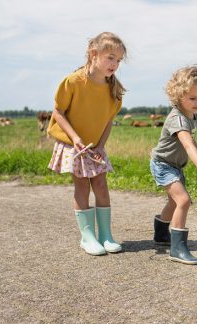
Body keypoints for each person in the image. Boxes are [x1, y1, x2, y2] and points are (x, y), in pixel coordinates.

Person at [47, 32, 126, 256]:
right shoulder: (73, 81)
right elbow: (58, 112)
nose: (115, 64)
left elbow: (109, 120)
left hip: (95, 147)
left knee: (100, 185)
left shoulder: (114, 91)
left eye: (119, 60)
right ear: (94, 54)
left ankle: (106, 236)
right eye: (111, 58)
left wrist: (101, 146)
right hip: (74, 144)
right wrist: (75, 138)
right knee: (82, 185)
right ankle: (87, 237)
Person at [150, 64, 197, 265]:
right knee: (183, 201)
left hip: (175, 166)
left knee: (174, 202)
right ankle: (177, 248)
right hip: (163, 164)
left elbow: (192, 141)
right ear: (178, 95)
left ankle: (161, 233)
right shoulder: (177, 119)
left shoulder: (192, 115)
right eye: (192, 98)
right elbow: (187, 144)